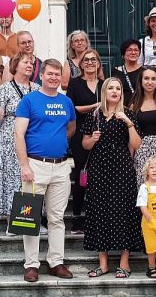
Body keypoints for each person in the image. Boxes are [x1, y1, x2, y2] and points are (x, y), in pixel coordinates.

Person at [15, 59, 76, 283]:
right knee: (28, 217)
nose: (53, 78)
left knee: (57, 218)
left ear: (61, 77)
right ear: (41, 75)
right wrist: (24, 165)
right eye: (49, 74)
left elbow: (71, 128)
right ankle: (31, 265)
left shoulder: (66, 102)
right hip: (34, 165)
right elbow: (18, 134)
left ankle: (55, 262)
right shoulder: (29, 100)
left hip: (60, 166)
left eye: (57, 75)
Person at [82, 77, 143, 278]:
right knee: (99, 211)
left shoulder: (129, 114)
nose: (115, 91)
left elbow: (136, 144)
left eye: (118, 88)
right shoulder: (95, 114)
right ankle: (104, 263)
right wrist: (93, 138)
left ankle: (124, 263)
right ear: (105, 92)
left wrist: (129, 124)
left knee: (124, 211)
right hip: (99, 168)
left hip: (122, 168)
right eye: (111, 88)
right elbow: (85, 145)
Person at [0, 53, 40, 219]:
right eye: (26, 62)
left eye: (31, 63)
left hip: (32, 136)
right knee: (13, 178)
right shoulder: (6, 88)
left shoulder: (37, 88)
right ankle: (14, 219)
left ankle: (32, 218)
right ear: (16, 65)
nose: (30, 65)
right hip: (11, 137)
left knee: (32, 177)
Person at [65, 49, 104, 233]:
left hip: (101, 134)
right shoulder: (74, 83)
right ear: (80, 65)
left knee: (99, 177)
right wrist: (94, 106)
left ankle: (97, 218)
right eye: (86, 60)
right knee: (82, 177)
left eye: (93, 59)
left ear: (98, 63)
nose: (90, 62)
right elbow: (71, 108)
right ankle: (77, 219)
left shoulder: (105, 84)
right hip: (80, 134)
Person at [112, 38, 143, 106]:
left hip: (141, 108)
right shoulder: (116, 71)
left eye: (136, 50)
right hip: (121, 108)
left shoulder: (144, 71)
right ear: (123, 53)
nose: (133, 52)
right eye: (129, 50)